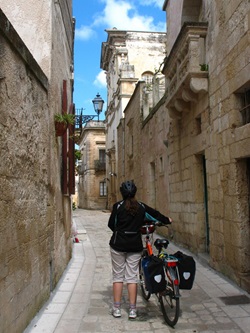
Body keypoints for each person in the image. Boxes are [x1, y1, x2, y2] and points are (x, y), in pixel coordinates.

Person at [108, 180, 172, 319]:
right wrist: (167, 220)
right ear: (135, 192)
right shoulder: (141, 207)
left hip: (118, 245)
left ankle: (117, 308)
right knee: (132, 277)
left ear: (122, 193)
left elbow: (111, 224)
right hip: (134, 245)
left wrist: (119, 231)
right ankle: (132, 310)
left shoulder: (117, 206)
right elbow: (156, 214)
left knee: (118, 276)